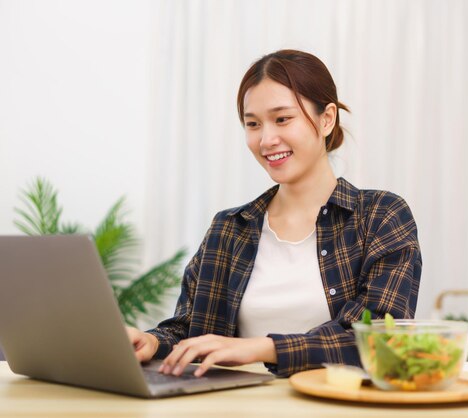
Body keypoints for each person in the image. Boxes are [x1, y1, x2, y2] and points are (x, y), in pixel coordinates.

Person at [127, 49, 422, 378]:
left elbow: (379, 337)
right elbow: (189, 331)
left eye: (282, 119)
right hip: (235, 407)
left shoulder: (380, 216)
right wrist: (152, 342)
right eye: (253, 124)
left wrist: (262, 347)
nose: (266, 139)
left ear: (327, 119)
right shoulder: (229, 229)